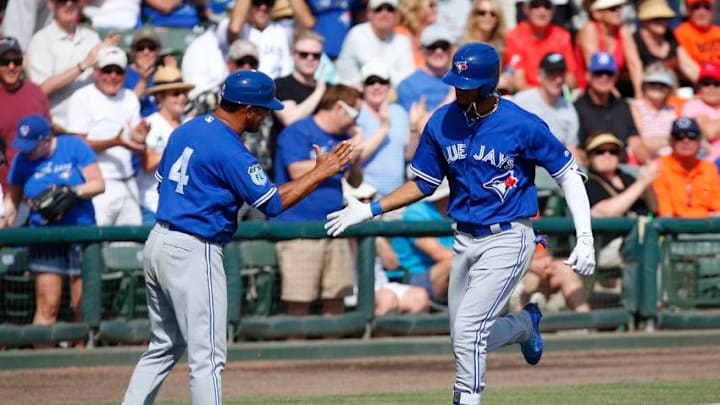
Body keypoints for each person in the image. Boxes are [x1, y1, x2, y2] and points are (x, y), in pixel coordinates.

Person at [325, 42, 596, 405]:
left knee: (469, 330)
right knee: (462, 336)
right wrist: (370, 209)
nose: (456, 89)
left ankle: (466, 399)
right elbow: (423, 183)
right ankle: (523, 326)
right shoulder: (442, 121)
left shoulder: (521, 123)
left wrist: (585, 237)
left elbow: (568, 174)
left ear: (487, 86)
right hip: (464, 239)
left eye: (465, 84)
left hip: (508, 235)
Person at [122, 70, 354, 404]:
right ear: (248, 109)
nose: (266, 115)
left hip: (159, 240)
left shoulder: (186, 129)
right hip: (193, 248)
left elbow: (164, 182)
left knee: (164, 345)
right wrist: (320, 172)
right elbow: (273, 204)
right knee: (208, 357)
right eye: (263, 109)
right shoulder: (231, 150)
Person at [4, 115, 104, 328]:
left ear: (46, 139)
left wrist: (72, 192)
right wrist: (6, 218)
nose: (27, 151)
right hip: (44, 234)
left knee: (81, 307)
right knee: (48, 306)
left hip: (80, 232)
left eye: (32, 145)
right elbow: (13, 197)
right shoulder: (22, 160)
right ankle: (39, 359)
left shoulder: (74, 147)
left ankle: (84, 357)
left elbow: (98, 184)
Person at [273, 84, 364, 318]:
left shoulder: (344, 139)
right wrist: (334, 161)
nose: (357, 121)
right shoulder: (298, 131)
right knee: (299, 303)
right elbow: (295, 171)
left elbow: (355, 181)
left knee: (336, 300)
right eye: (355, 114)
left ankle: (333, 353)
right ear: (337, 107)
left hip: (334, 227)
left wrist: (354, 161)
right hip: (298, 229)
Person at [66, 46, 149, 227]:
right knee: (98, 245)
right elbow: (76, 146)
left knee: (130, 249)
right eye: (107, 70)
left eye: (118, 71)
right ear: (96, 71)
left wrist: (140, 137)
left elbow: (135, 137)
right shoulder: (82, 97)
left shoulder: (129, 97)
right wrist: (113, 142)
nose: (113, 76)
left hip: (128, 182)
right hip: (98, 185)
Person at [137, 65, 194, 224]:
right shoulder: (149, 124)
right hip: (154, 205)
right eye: (176, 93)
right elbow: (147, 163)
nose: (182, 98)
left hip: (186, 208)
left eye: (184, 93)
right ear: (160, 97)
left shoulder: (191, 124)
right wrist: (181, 149)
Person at [574, 51, 650, 165]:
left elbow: (635, 142)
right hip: (591, 172)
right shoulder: (577, 108)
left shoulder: (622, 106)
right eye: (598, 73)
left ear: (615, 78)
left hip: (622, 170)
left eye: (609, 73)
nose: (604, 77)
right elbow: (577, 149)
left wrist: (650, 163)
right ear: (588, 76)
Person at [0, 36, 51, 191]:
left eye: (16, 61)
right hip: (5, 187)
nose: (11, 67)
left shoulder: (35, 92)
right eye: (4, 61)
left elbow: (49, 135)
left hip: (38, 182)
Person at [392, 179, 453, 304]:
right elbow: (439, 254)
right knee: (456, 262)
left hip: (446, 276)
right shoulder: (415, 213)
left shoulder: (456, 212)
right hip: (412, 277)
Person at [512, 52, 581, 157]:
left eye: (561, 74)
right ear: (540, 76)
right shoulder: (521, 102)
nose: (558, 80)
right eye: (551, 75)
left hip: (554, 166)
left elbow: (571, 149)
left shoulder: (568, 109)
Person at [335, 0, 415, 87]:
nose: (385, 14)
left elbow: (407, 78)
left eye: (390, 9)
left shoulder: (402, 41)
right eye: (378, 9)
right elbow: (349, 76)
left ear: (396, 15)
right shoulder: (357, 35)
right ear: (369, 13)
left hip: (391, 95)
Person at [652, 117, 720, 217]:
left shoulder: (709, 169)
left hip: (707, 228)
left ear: (700, 141)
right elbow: (666, 215)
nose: (686, 140)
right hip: (673, 229)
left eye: (692, 136)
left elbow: (717, 209)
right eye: (679, 136)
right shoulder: (659, 167)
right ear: (670, 141)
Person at [504, 0, 578, 91]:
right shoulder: (514, 37)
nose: (542, 11)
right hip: (526, 96)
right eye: (535, 5)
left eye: (547, 6)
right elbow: (518, 82)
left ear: (553, 10)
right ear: (526, 9)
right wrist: (542, 99)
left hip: (556, 95)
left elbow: (571, 80)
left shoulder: (563, 36)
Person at [629, 62, 678, 159]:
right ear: (644, 86)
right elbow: (639, 141)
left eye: (662, 84)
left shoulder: (673, 109)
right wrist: (670, 141)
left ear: (670, 88)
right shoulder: (636, 107)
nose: (657, 87)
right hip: (646, 159)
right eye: (652, 83)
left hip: (672, 157)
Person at [681, 61, 720, 163]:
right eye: (706, 84)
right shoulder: (693, 105)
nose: (711, 88)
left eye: (717, 84)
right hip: (709, 163)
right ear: (699, 87)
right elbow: (709, 132)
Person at [674, 0, 720, 83]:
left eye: (706, 7)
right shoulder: (680, 33)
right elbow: (686, 66)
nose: (702, 12)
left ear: (712, 11)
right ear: (688, 10)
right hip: (698, 83)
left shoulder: (718, 32)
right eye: (696, 7)